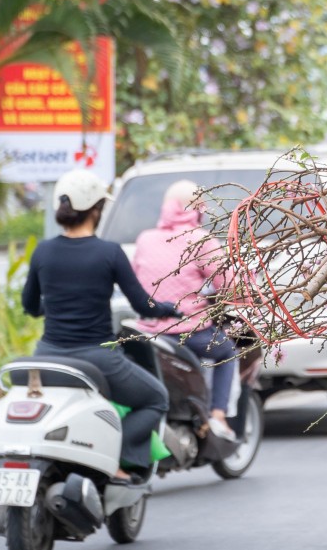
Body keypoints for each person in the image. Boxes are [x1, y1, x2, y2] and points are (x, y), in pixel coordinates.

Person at [22, 168, 179, 483]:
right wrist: (170, 309)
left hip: (48, 355)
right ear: (96, 209)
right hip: (96, 357)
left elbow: (30, 306)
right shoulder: (109, 253)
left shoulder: (43, 251)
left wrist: (52, 308)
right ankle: (117, 462)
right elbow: (142, 305)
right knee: (156, 398)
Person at [132, 180, 238, 441]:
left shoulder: (145, 239)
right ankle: (218, 415)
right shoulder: (200, 239)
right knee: (227, 352)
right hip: (189, 332)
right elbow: (229, 284)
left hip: (148, 333)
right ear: (197, 209)